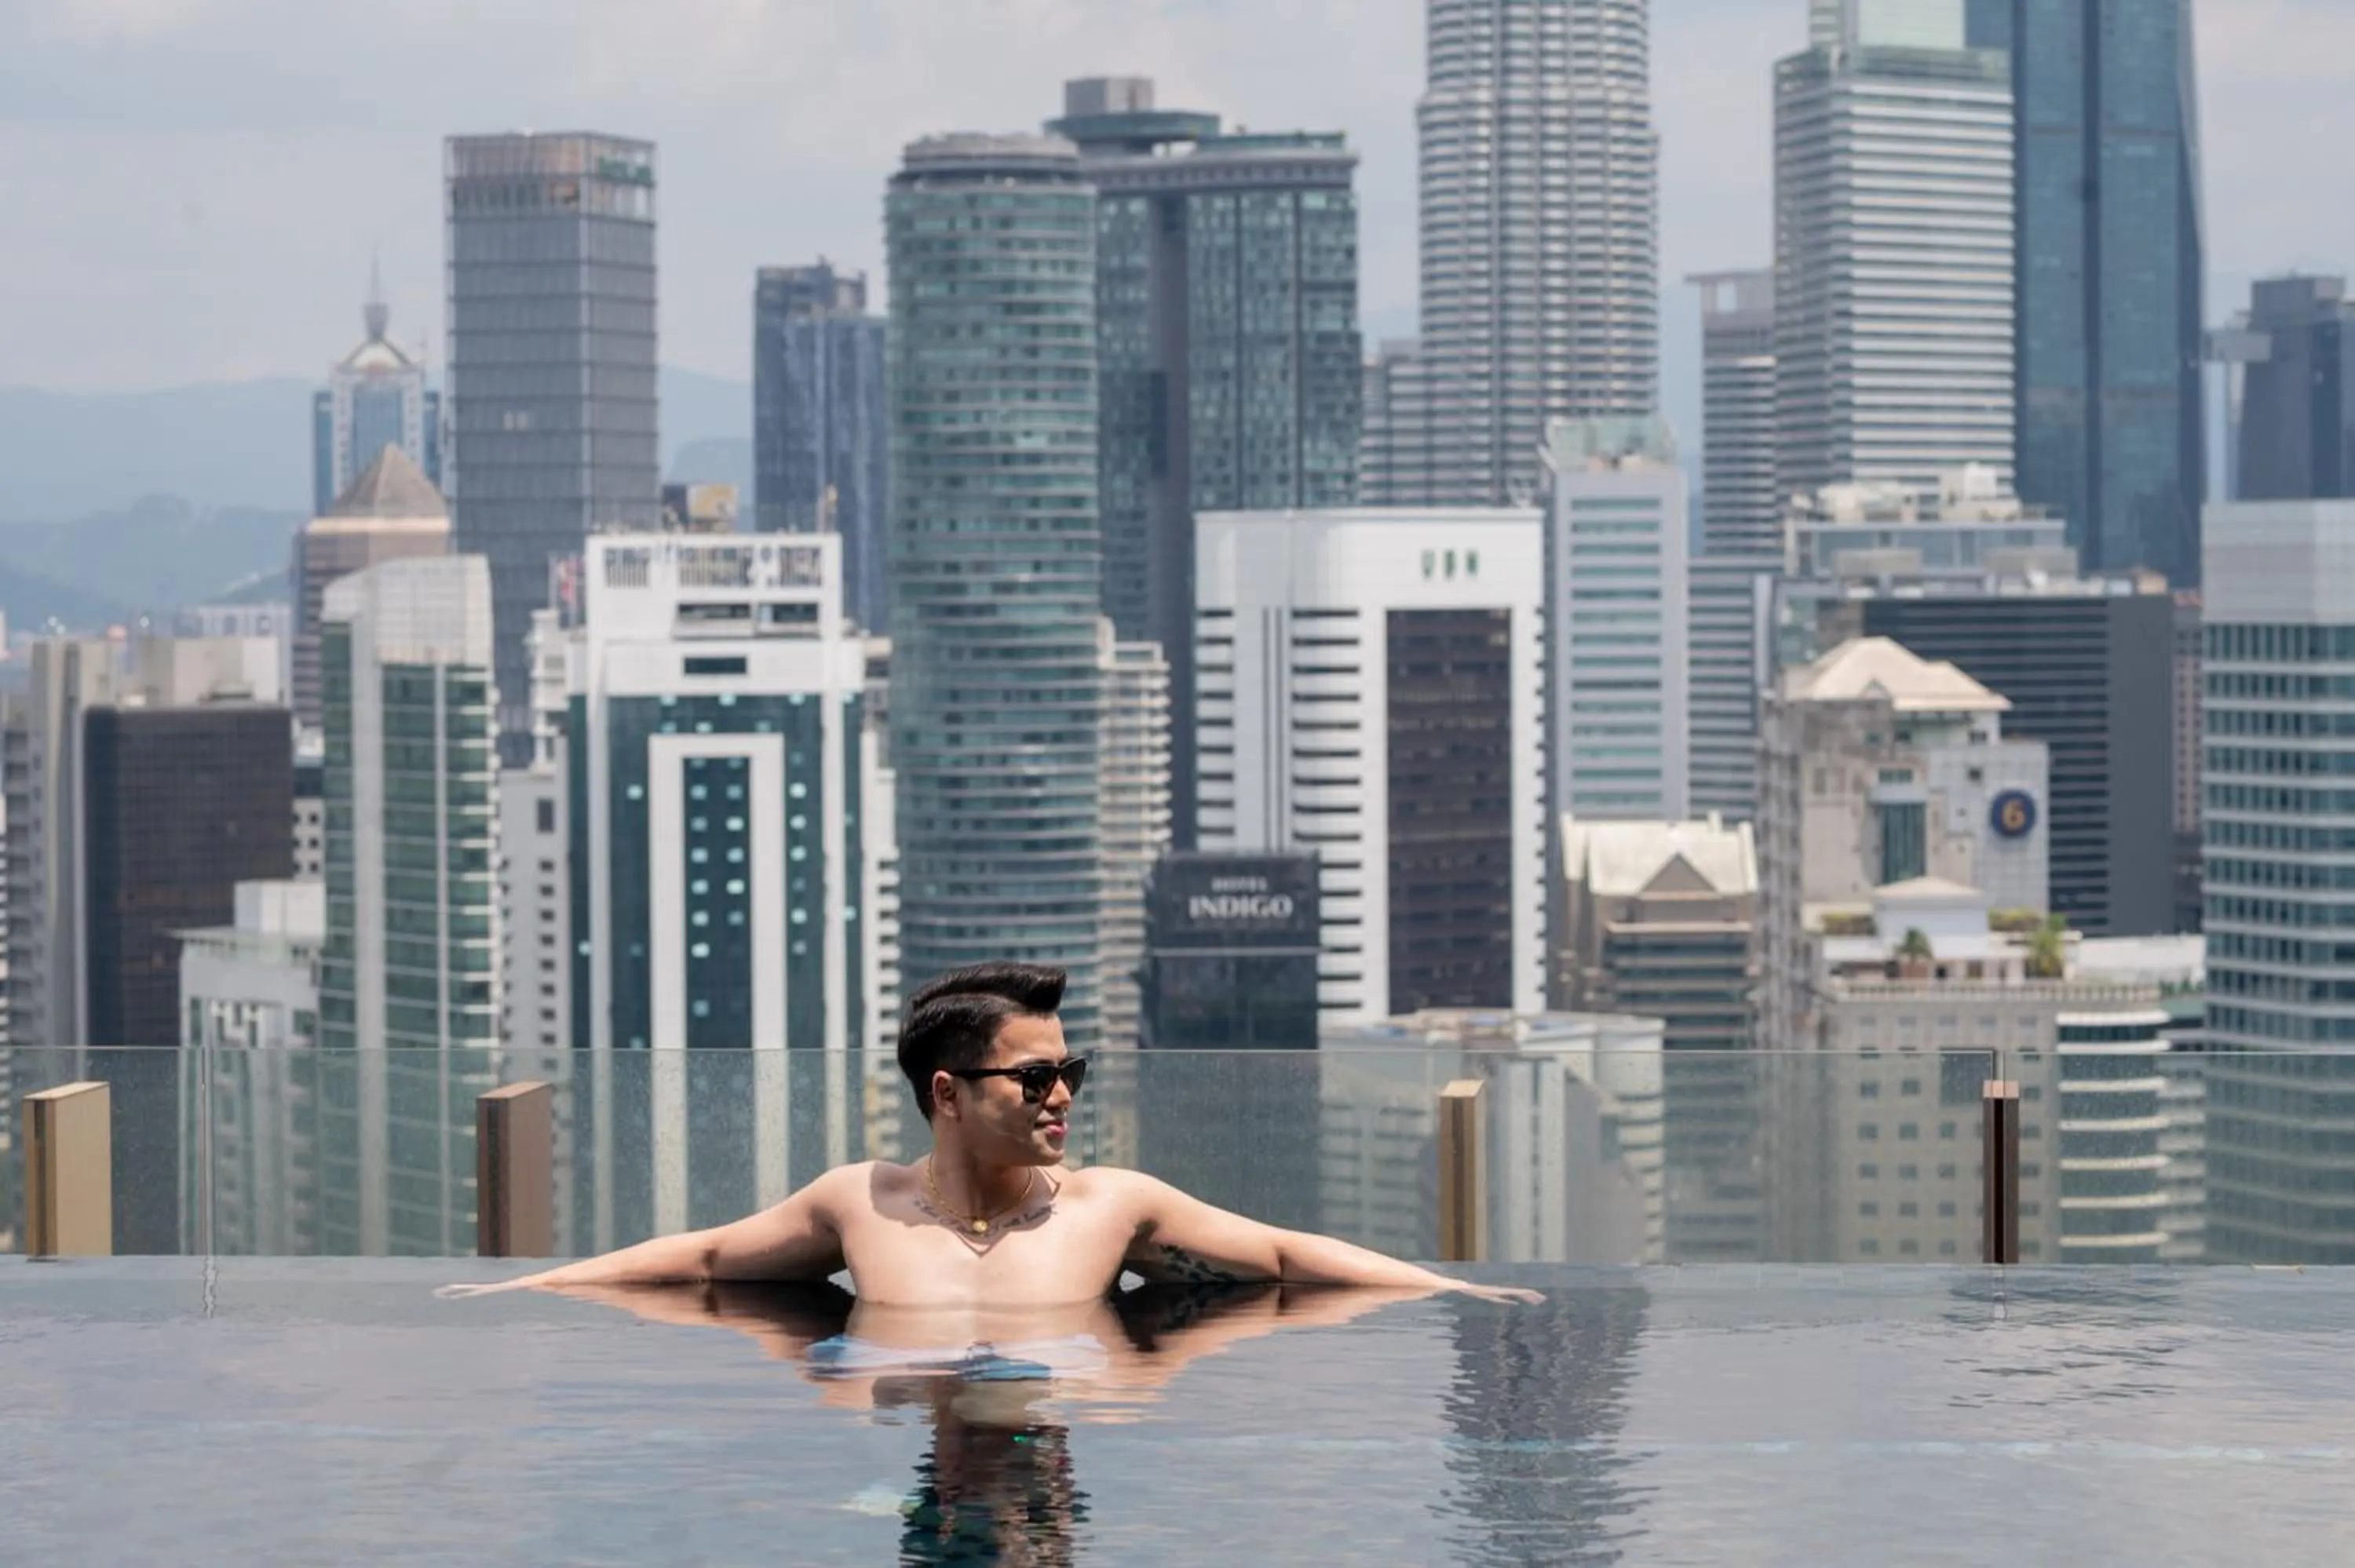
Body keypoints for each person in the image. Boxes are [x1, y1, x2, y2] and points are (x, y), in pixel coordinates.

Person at [453, 962, 1535, 1311]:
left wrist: (1460, 1293)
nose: (1061, 1093)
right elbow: (696, 1259)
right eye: (1034, 1076)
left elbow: (1294, 1256)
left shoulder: (1112, 1206)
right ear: (949, 1093)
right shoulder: (860, 1202)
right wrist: (520, 1293)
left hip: (1061, 1414)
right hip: (912, 1442)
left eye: (1071, 1071)